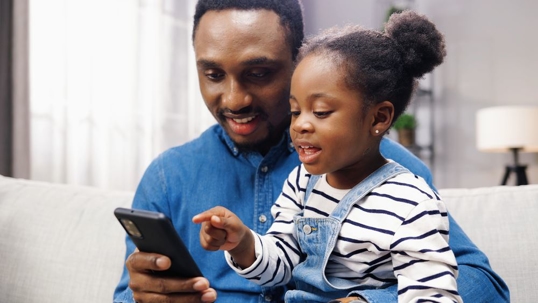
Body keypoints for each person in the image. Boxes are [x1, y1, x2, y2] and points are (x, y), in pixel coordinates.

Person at [113, 1, 509, 302]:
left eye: (260, 73)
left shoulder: (392, 172)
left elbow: (483, 284)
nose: (234, 99)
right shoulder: (168, 176)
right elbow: (126, 295)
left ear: (298, 64)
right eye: (213, 74)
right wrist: (145, 293)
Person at [193, 11, 462, 303]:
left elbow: (434, 297)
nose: (300, 125)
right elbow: (282, 263)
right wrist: (242, 243)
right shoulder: (302, 182)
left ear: (379, 118)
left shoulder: (412, 202)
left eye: (320, 112)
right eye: (295, 111)